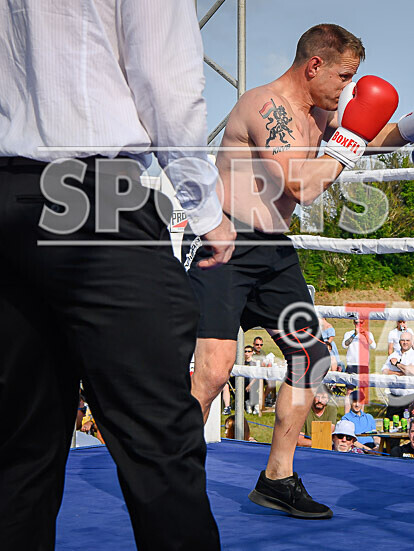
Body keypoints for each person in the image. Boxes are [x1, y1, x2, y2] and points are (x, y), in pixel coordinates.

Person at [0, 2, 234, 547]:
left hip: (9, 198)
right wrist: (205, 212)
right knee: (157, 440)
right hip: (94, 195)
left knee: (18, 447)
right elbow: (166, 82)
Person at [184, 24, 404, 521]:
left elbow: (365, 132)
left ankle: (276, 478)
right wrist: (346, 144)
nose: (347, 89)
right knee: (215, 371)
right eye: (343, 77)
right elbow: (303, 185)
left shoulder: (318, 112)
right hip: (224, 242)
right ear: (314, 66)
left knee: (313, 356)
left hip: (272, 249)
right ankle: (171, 471)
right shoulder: (267, 108)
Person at [382, 331, 414, 418]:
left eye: (407, 340)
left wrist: (397, 364)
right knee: (391, 424)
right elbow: (384, 371)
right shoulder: (393, 355)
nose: (405, 342)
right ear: (399, 342)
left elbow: (413, 372)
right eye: (403, 340)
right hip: (395, 398)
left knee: (412, 425)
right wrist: (399, 373)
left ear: (412, 342)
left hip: (411, 398)